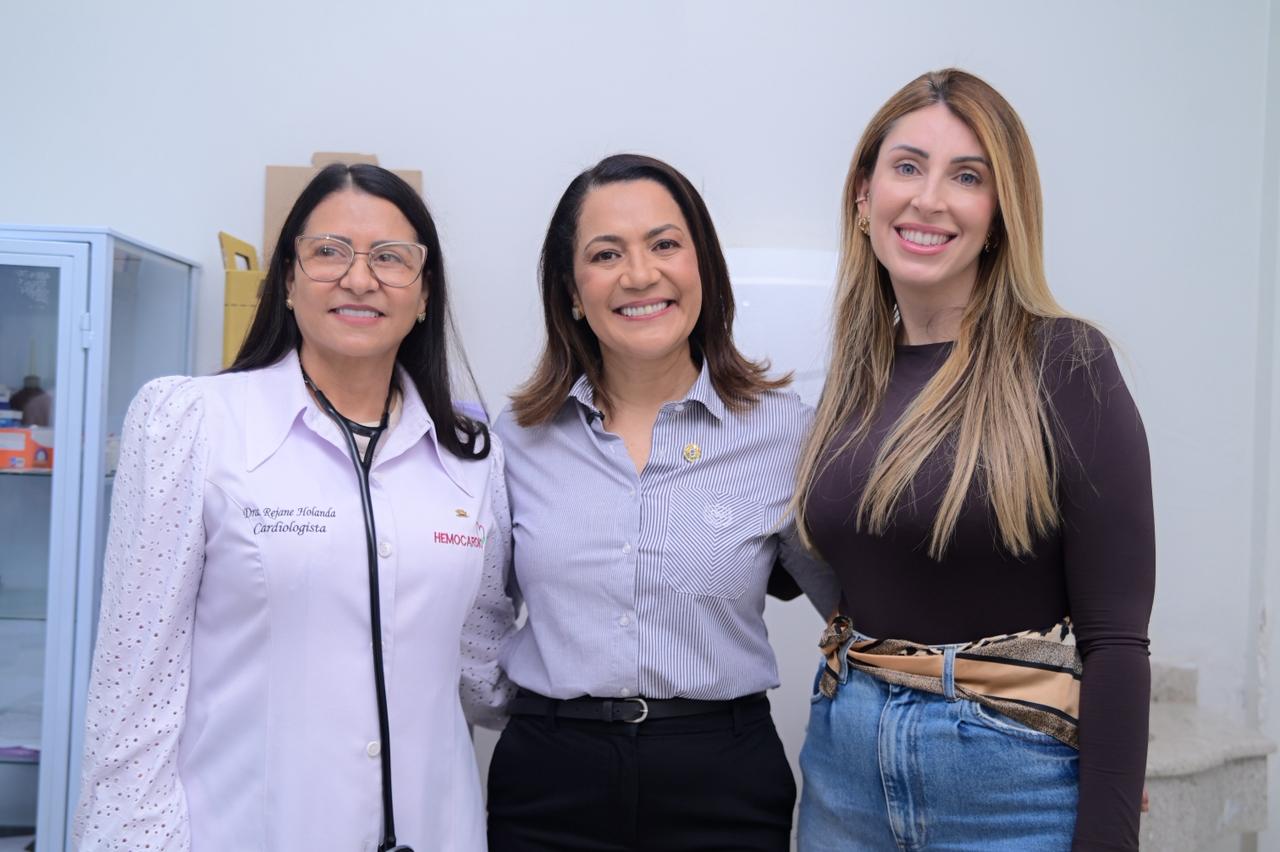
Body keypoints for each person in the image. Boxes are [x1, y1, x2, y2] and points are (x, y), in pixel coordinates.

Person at [73, 163, 514, 852]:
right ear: (286, 279)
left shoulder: (471, 456)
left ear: (425, 292)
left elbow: (480, 660)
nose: (360, 279)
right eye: (329, 252)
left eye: (391, 258)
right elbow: (134, 692)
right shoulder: (194, 423)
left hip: (436, 830)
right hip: (247, 830)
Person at [792, 68, 1155, 851]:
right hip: (843, 771)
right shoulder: (851, 379)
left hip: (1010, 783)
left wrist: (1111, 818)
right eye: (908, 166)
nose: (929, 199)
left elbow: (1117, 639)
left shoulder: (1067, 363)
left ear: (999, 214)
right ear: (863, 196)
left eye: (967, 176)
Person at [487, 153, 839, 852]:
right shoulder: (517, 439)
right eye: (606, 254)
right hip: (549, 781)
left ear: (702, 266)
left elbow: (858, 613)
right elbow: (476, 616)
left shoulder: (788, 434)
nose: (640, 274)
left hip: (722, 782)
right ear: (572, 290)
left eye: (664, 244)